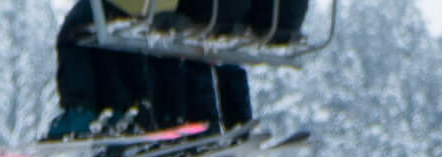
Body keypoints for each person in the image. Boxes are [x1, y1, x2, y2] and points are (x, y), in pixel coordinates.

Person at [45, 0, 306, 140]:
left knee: (75, 33)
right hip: (261, 18)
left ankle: (91, 112)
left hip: (163, 7)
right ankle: (222, 120)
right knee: (196, 42)